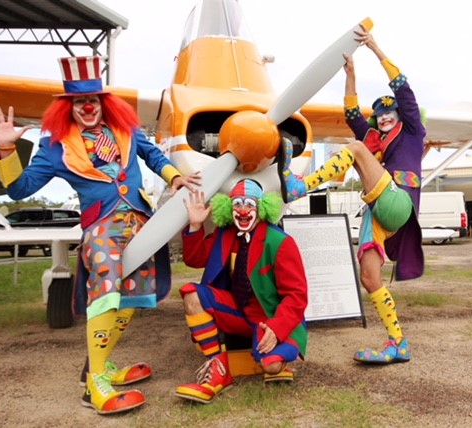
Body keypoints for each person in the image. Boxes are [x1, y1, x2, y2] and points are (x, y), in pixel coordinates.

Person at [0, 56, 200, 415]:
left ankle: (99, 367)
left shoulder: (126, 130)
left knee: (134, 297)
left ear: (103, 102)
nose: (87, 107)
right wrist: (6, 150)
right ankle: (94, 384)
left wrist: (174, 177)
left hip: (140, 224)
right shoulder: (55, 147)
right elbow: (19, 189)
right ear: (68, 107)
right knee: (105, 292)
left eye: (93, 99)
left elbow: (152, 155)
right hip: (101, 227)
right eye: (79, 101)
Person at [278, 26, 426, 364]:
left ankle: (301, 186)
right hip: (379, 213)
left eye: (390, 112)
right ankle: (398, 343)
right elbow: (351, 115)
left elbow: (403, 88)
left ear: (400, 115)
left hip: (398, 201)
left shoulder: (412, 130)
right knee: (369, 277)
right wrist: (350, 74)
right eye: (379, 114)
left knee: (356, 148)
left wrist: (375, 48)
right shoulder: (376, 139)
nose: (384, 116)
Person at [175, 179, 308, 403]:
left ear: (262, 207)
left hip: (268, 318)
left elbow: (296, 296)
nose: (243, 210)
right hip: (235, 310)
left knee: (271, 366)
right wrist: (196, 225)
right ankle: (218, 371)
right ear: (229, 208)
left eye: (249, 204)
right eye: (237, 204)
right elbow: (195, 259)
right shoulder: (224, 233)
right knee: (192, 295)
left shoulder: (280, 241)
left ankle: (280, 359)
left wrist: (276, 329)